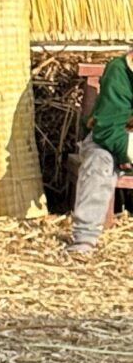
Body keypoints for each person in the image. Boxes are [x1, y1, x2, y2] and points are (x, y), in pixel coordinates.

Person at [69, 53, 131, 256]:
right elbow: (107, 128)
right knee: (99, 161)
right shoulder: (119, 71)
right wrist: (127, 154)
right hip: (114, 138)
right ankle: (85, 238)